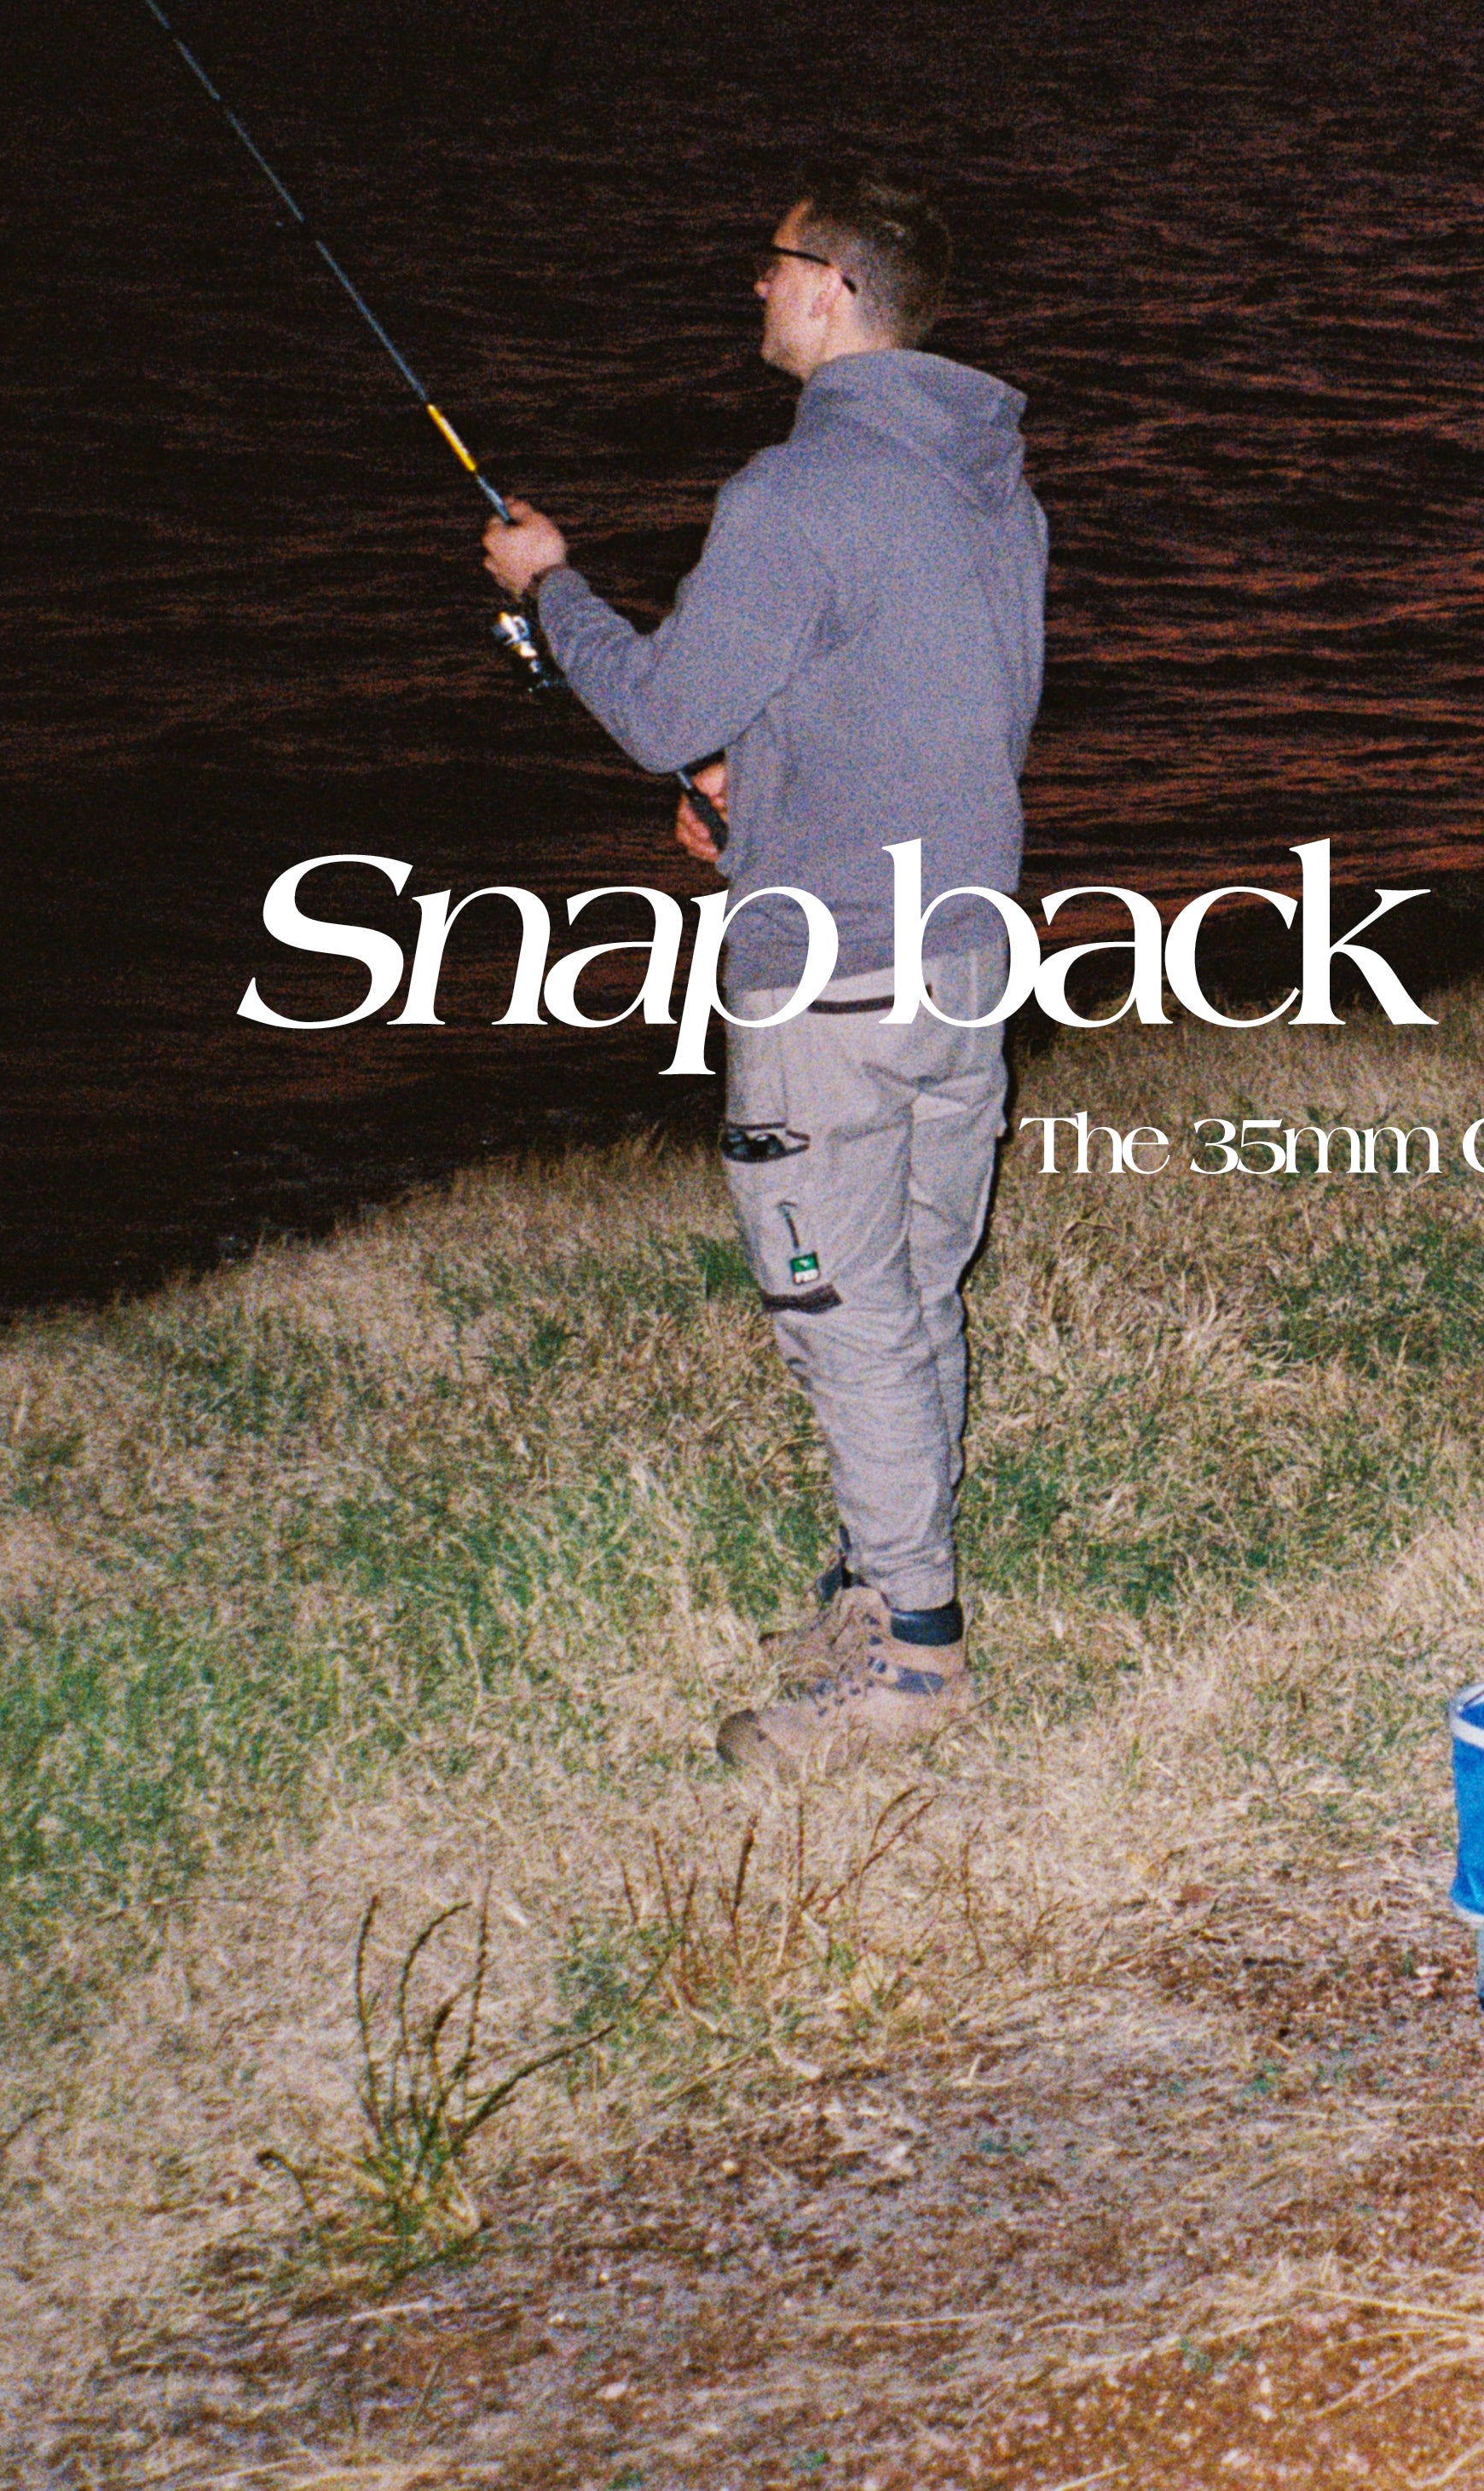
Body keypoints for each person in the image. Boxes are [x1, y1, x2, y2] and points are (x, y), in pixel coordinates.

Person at [484, 170, 1044, 1773]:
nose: (755, 285)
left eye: (772, 262)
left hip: (834, 982)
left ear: (834, 288)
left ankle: (914, 1657)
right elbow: (942, 691)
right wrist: (769, 777)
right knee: (913, 1287)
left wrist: (550, 587)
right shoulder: (986, 477)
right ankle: (881, 1579)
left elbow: (662, 708)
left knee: (844, 1311)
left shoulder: (793, 490)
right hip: (963, 954)